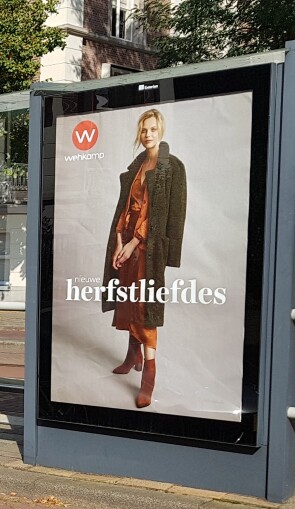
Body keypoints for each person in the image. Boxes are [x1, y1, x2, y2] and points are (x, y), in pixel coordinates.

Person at [101, 108, 187, 409]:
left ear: (160, 131)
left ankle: (149, 374)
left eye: (152, 129)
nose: (147, 134)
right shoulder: (135, 168)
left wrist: (136, 241)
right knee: (128, 300)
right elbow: (123, 208)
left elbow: (169, 215)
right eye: (143, 129)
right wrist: (119, 242)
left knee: (145, 306)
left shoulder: (171, 167)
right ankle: (132, 355)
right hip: (129, 243)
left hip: (149, 248)